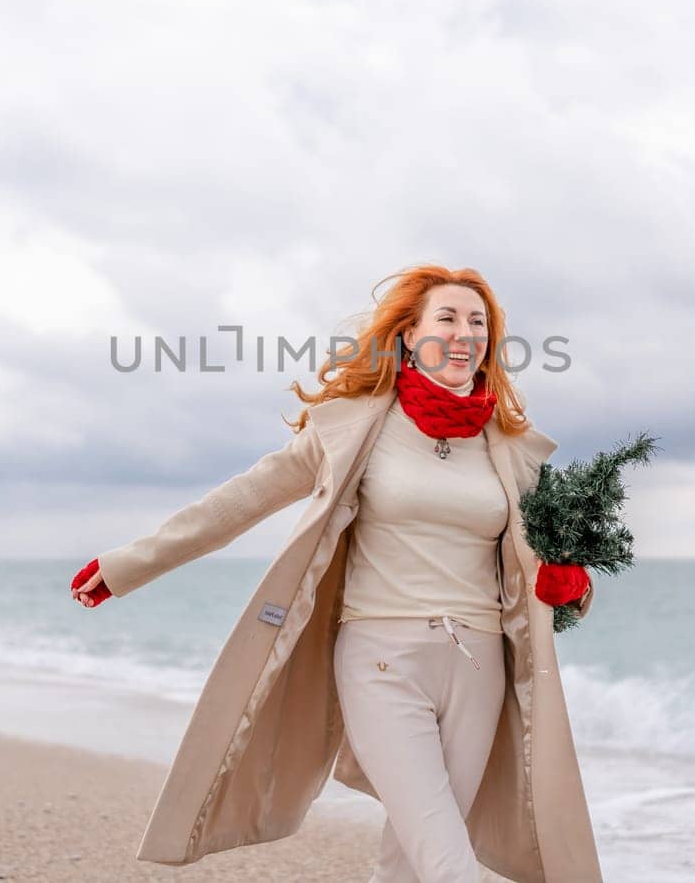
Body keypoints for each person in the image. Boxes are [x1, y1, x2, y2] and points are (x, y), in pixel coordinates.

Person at [72, 265, 593, 882]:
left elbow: (565, 565)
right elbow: (239, 503)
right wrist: (126, 566)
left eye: (478, 322)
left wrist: (575, 588)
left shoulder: (512, 449)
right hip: (380, 658)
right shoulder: (354, 428)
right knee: (447, 860)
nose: (464, 333)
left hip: (479, 665)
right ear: (409, 335)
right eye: (447, 318)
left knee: (411, 856)